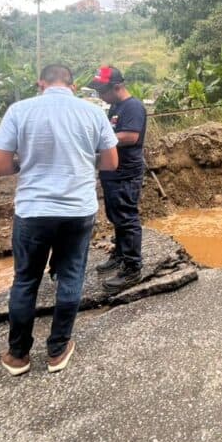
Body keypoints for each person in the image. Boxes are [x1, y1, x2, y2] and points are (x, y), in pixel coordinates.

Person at [0, 64, 118, 376]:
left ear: (40, 84)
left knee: (25, 281)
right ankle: (57, 350)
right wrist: (83, 162)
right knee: (71, 277)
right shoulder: (93, 113)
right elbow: (112, 162)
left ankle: (18, 355)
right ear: (73, 86)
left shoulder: (19, 111)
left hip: (33, 210)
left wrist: (27, 165)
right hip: (78, 209)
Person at [89, 66, 148, 293]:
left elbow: (130, 136)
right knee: (116, 215)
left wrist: (99, 141)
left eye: (101, 90)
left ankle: (133, 268)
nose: (100, 95)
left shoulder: (132, 106)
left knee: (126, 216)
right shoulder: (114, 106)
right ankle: (121, 254)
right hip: (112, 170)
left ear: (116, 87)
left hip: (126, 171)